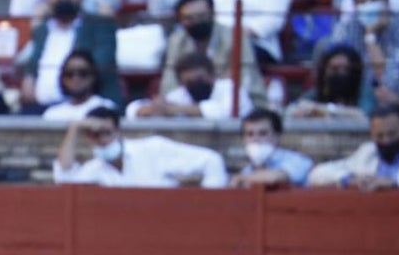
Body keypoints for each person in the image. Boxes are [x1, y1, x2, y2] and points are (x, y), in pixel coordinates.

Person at [17, 0, 122, 114]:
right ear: (48, 1)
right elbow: (31, 60)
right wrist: (29, 76)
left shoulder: (99, 25)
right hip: (40, 107)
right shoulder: (42, 30)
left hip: (85, 106)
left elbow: (101, 63)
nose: (63, 3)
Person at [54, 105, 228, 188]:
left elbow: (211, 161)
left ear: (118, 132)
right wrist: (74, 127)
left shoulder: (153, 149)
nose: (102, 140)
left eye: (106, 133)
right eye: (95, 135)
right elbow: (64, 178)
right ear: (88, 139)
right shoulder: (94, 169)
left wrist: (209, 205)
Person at [158, 0, 266, 108]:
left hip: (235, 105)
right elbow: (169, 82)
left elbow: (246, 78)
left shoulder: (235, 37)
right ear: (181, 20)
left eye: (201, 16)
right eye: (189, 18)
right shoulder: (177, 41)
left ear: (213, 14)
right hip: (187, 104)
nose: (196, 22)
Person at [308, 103, 399, 189]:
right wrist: (349, 180)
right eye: (379, 136)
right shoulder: (367, 152)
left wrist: (393, 181)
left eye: (392, 134)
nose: (386, 140)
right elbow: (317, 174)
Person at [191, 0, 292, 66]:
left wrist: (229, 35)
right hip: (209, 41)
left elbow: (272, 21)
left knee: (226, 53)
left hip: (254, 44)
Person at [127, 50, 253, 119]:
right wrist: (151, 109)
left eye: (200, 79)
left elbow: (223, 113)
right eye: (189, 82)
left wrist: (173, 109)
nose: (196, 85)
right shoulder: (181, 94)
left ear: (212, 75)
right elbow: (133, 110)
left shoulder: (230, 88)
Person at [231, 107, 314, 188]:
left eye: (263, 133)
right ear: (244, 139)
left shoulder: (296, 160)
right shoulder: (247, 171)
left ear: (277, 136)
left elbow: (275, 178)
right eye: (250, 134)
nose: (256, 139)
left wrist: (241, 178)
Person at [286, 43, 373, 119]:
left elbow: (364, 115)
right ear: (325, 71)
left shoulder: (364, 92)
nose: (341, 73)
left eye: (346, 69)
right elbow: (290, 111)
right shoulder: (316, 93)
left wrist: (321, 109)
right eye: (335, 69)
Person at [41, 49, 118, 121]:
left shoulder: (106, 108)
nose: (76, 78)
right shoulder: (52, 114)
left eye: (82, 73)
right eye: (70, 74)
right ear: (63, 79)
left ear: (93, 76)